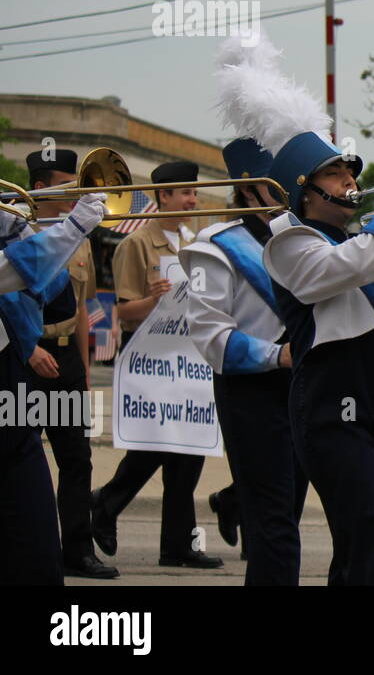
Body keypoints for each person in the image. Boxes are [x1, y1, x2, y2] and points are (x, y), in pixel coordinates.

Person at [225, 38, 374, 584]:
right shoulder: (289, 245)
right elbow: (346, 268)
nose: (351, 182)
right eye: (336, 174)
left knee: (362, 552)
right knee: (372, 547)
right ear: (304, 190)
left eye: (350, 172)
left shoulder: (367, 243)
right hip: (332, 402)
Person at [180, 132, 306, 585]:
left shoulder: (304, 237)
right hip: (251, 391)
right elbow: (209, 337)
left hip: (304, 389)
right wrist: (277, 355)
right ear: (249, 186)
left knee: (286, 514)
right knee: (275, 524)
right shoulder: (214, 246)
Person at [91, 161, 223, 570]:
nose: (191, 199)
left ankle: (176, 545)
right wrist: (153, 298)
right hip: (150, 359)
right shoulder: (137, 244)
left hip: (190, 357)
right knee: (154, 443)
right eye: (183, 192)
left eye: (193, 192)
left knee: (189, 450)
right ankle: (106, 504)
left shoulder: (195, 241)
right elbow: (125, 312)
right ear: (161, 196)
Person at [1, 190, 106, 584]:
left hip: (10, 380)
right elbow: (7, 273)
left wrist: (24, 233)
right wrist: (72, 228)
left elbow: (60, 299)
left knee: (38, 550)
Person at [23, 149, 118, 579]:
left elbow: (82, 309)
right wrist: (28, 348)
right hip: (25, 356)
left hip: (64, 358)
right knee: (19, 458)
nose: (79, 191)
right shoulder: (16, 234)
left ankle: (77, 550)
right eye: (68, 183)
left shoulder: (79, 238)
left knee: (77, 459)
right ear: (40, 189)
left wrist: (81, 371)